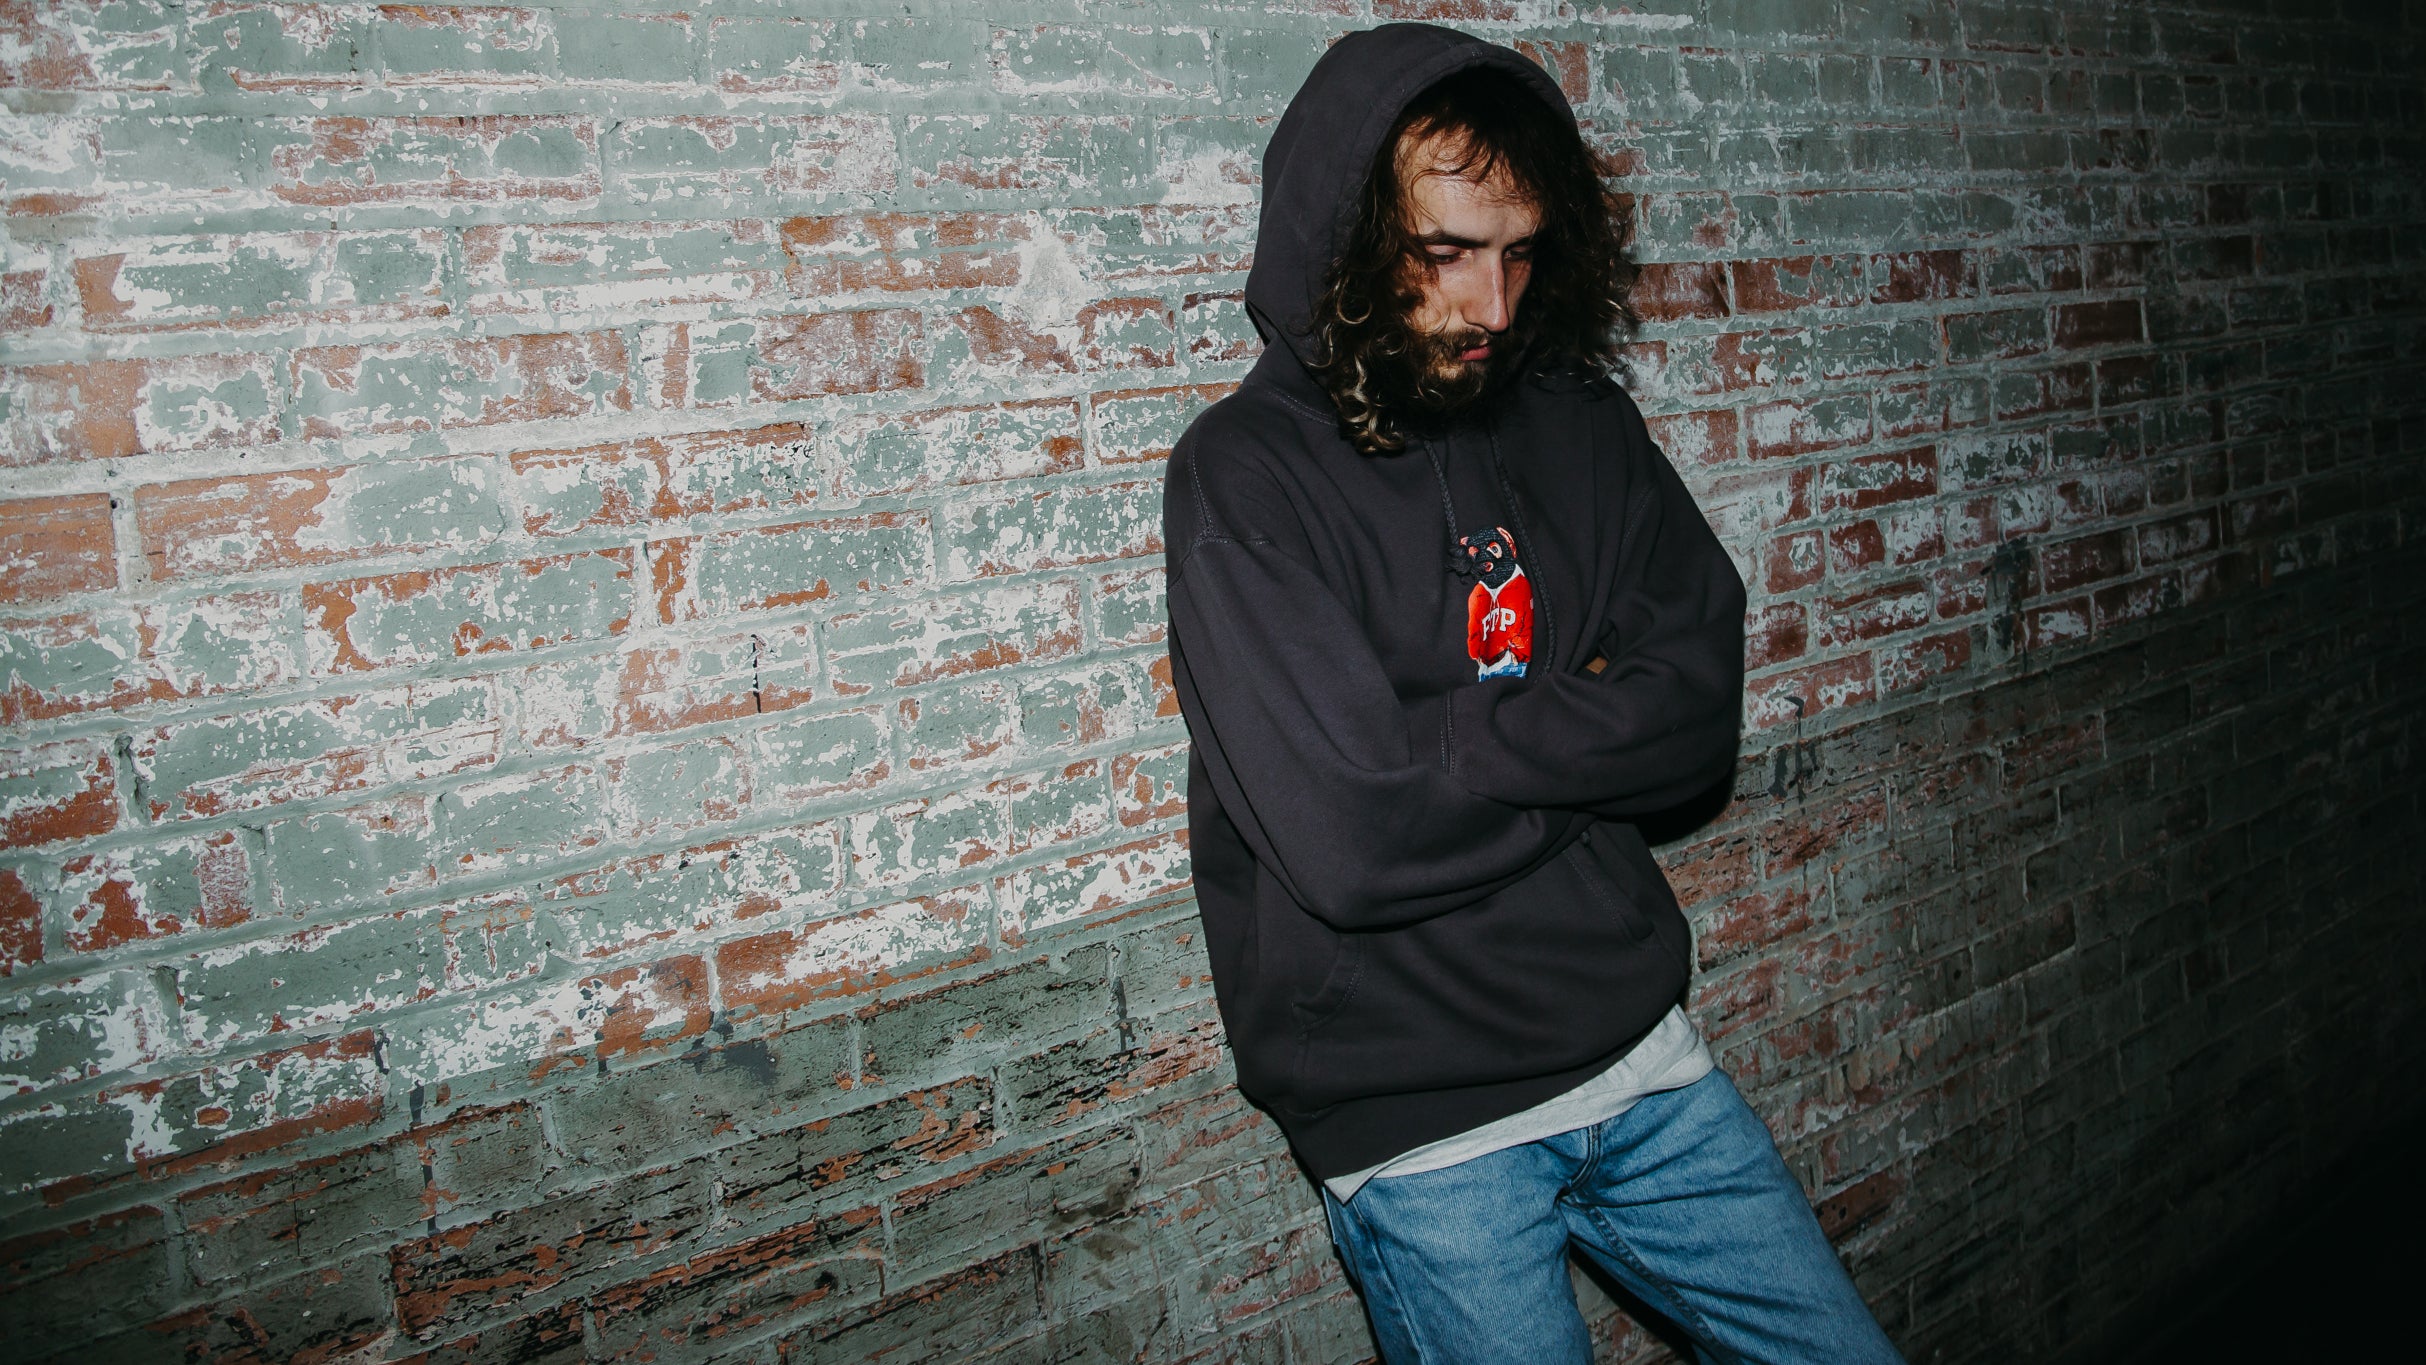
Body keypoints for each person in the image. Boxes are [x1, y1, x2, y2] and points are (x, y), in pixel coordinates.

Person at [1160, 24, 1906, 1365]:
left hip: (1638, 1053)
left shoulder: (1575, 419)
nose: (1492, 306)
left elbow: (1694, 719)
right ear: (1342, 241)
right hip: (1421, 1122)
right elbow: (1351, 837)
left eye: (1517, 253)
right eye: (1444, 252)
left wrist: (1446, 737)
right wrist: (1586, 724)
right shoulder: (1244, 473)